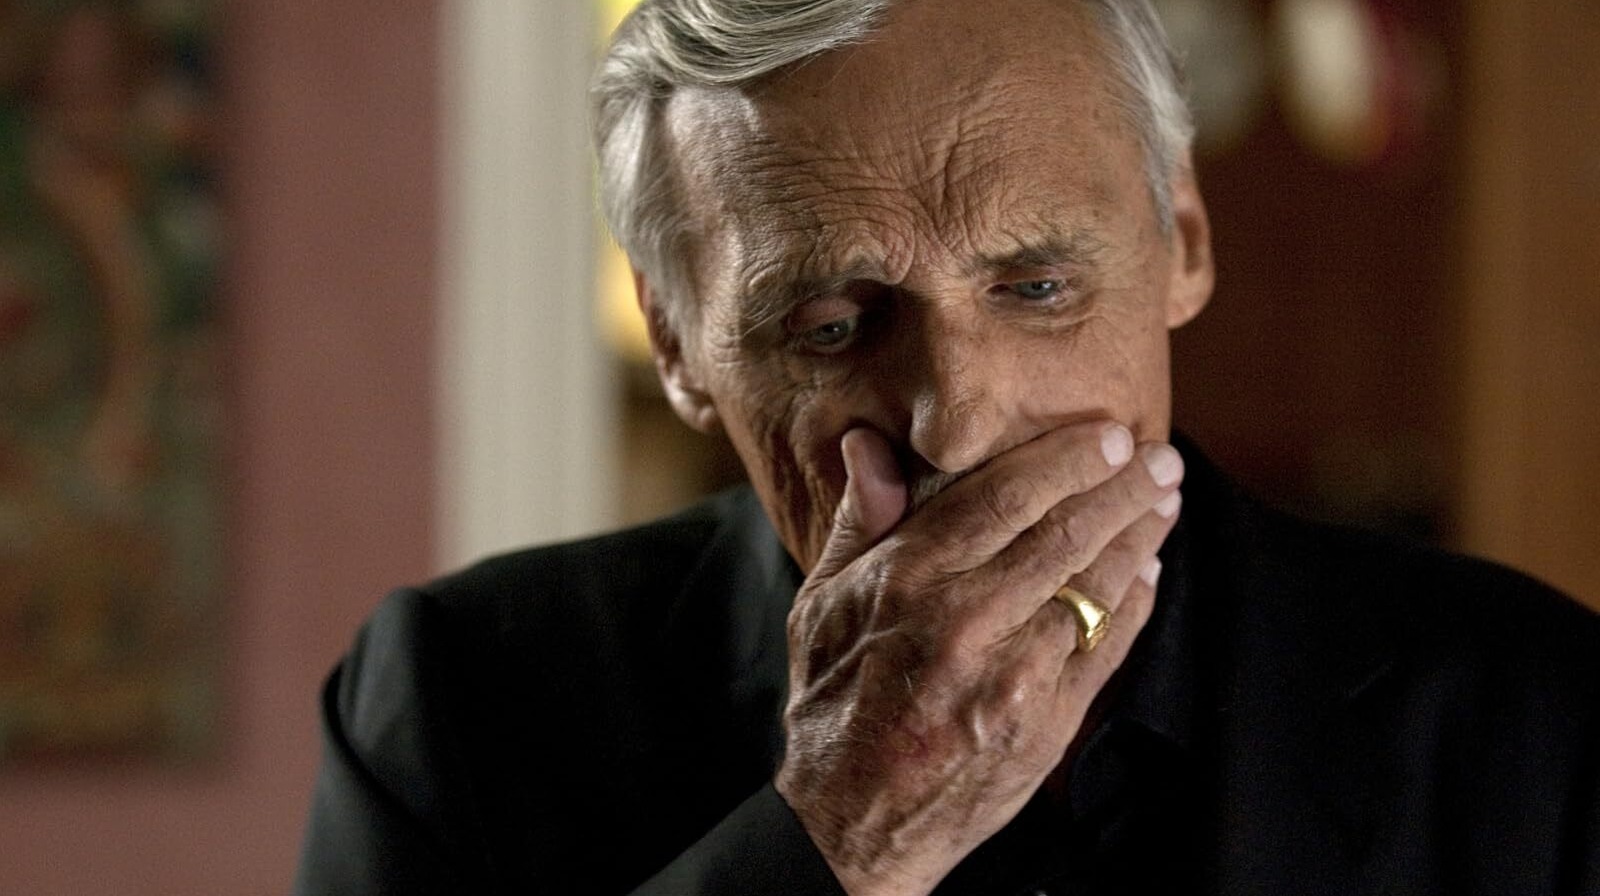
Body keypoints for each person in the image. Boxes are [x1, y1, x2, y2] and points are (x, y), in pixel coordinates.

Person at [293, 1, 1600, 893]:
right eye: (832, 325)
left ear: (1186, 247)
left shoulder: (1533, 718)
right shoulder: (456, 707)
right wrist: (834, 839)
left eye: (1037, 287)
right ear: (681, 346)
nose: (957, 422)